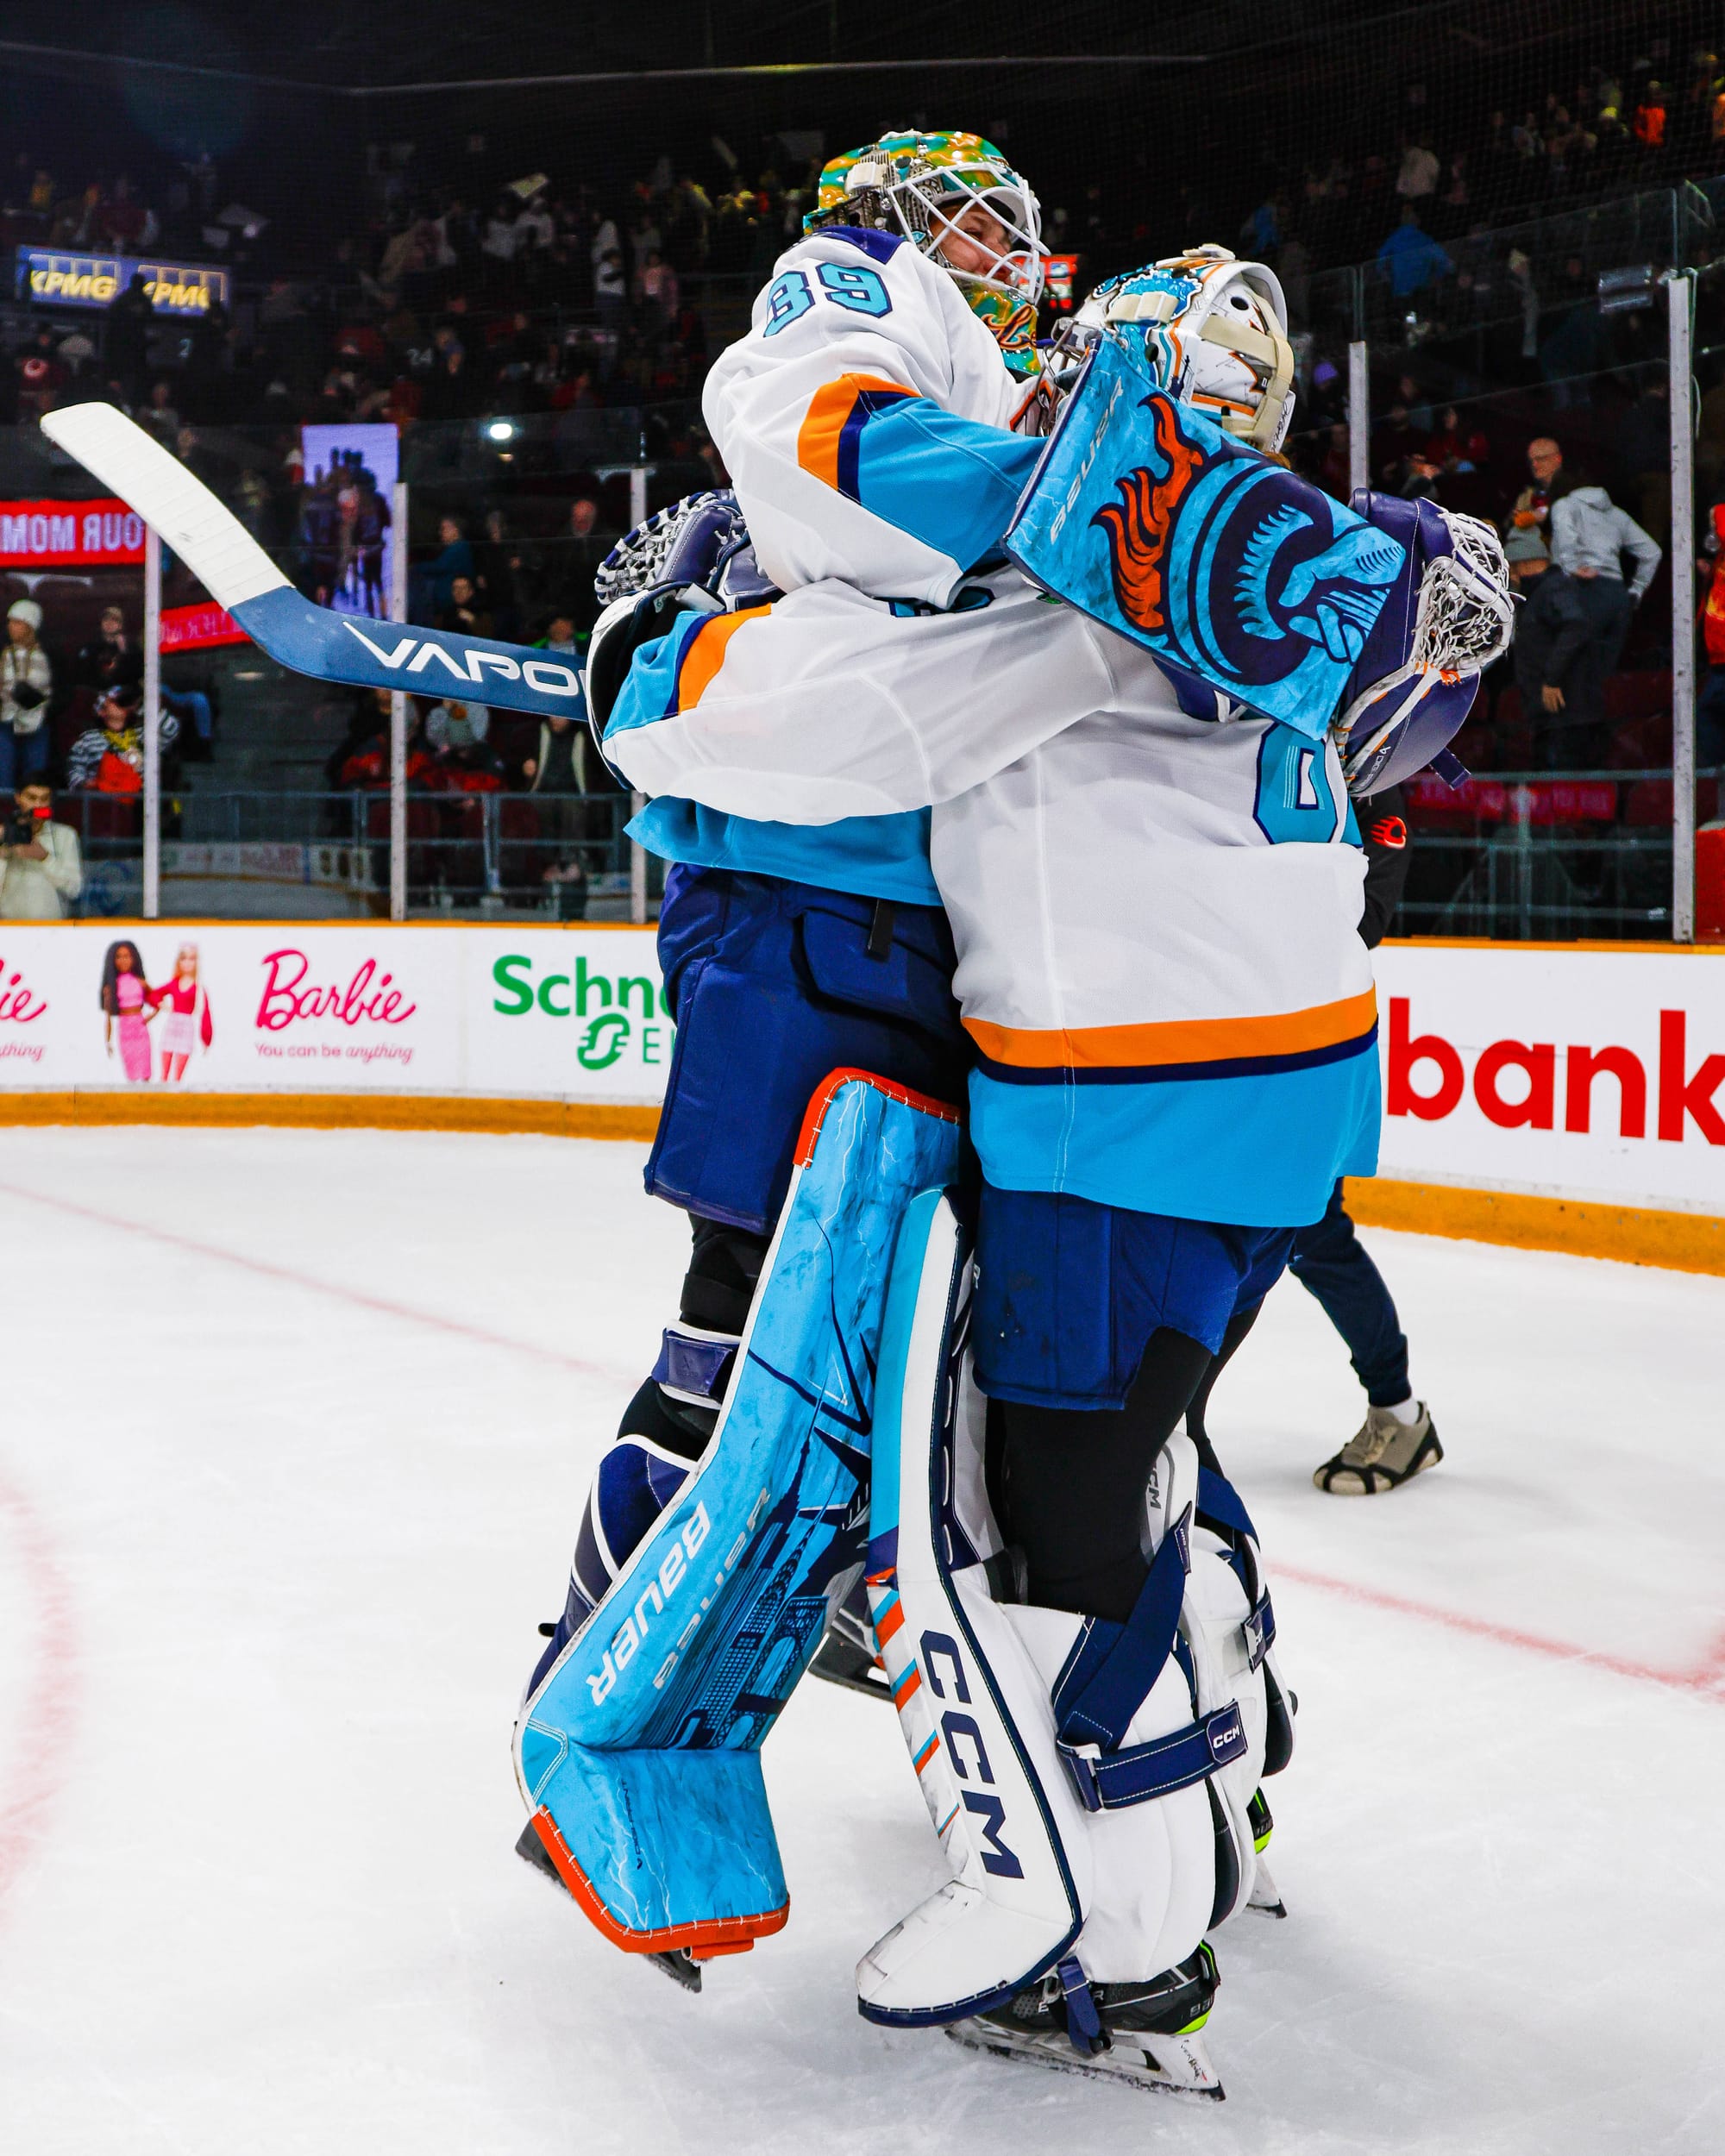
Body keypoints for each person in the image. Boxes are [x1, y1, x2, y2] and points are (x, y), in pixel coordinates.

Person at [1184, 792, 1443, 1495]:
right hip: (1234, 1044)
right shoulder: (1265, 759)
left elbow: (1365, 922)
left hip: (1308, 1052)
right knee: (1255, 1230)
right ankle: (1180, 1418)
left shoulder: (1373, 789)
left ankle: (1397, 1411)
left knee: (1309, 1236)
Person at [1504, 528, 1612, 768]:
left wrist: (1552, 679)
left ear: (1524, 565)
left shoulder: (1554, 588)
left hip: (1567, 717)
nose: (1511, 577)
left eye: (1512, 570)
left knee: (1563, 778)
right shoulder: (1539, 594)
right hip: (1552, 718)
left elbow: (1576, 625)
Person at [1548, 474, 1662, 682]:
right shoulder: (1617, 514)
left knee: (1575, 673)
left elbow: (1565, 533)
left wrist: (1571, 566)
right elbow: (1652, 552)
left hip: (1585, 587)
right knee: (1602, 679)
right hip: (1617, 595)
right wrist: (1637, 589)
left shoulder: (1564, 505)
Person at [66, 680, 179, 792]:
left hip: (141, 799)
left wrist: (138, 706)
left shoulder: (144, 734)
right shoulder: (88, 739)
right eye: (115, 701)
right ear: (101, 711)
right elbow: (74, 773)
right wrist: (89, 785)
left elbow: (171, 728)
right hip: (104, 797)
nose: (122, 704)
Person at [0, 778, 82, 920]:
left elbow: (74, 889)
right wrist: (3, 855)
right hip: (8, 927)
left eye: (44, 799)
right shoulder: (4, 834)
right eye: (31, 798)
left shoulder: (65, 835)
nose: (38, 805)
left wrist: (45, 858)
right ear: (18, 798)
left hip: (51, 927)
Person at [0, 599, 53, 791]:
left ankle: (35, 810)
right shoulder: (4, 654)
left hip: (37, 721)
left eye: (17, 622)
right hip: (7, 720)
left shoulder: (46, 654)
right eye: (10, 622)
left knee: (35, 777)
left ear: (30, 626)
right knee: (3, 775)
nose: (10, 627)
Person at [148, 943, 213, 1083]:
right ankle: (163, 1086)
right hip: (172, 1024)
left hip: (187, 1026)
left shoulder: (198, 988)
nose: (187, 963)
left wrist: (206, 1038)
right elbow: (154, 994)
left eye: (192, 959)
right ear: (179, 962)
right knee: (164, 1072)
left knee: (178, 1074)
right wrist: (162, 1005)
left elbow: (206, 1014)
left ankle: (176, 1087)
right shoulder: (174, 983)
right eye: (184, 958)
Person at [100, 938, 155, 1083]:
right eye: (119, 957)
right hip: (125, 1029)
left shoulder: (140, 982)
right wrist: (108, 1041)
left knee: (145, 1067)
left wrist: (150, 1017)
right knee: (131, 1068)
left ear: (133, 958)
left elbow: (157, 1001)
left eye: (127, 956)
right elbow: (108, 1018)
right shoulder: (112, 987)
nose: (123, 960)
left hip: (140, 1027)